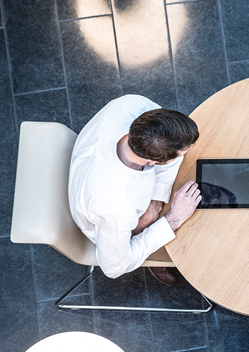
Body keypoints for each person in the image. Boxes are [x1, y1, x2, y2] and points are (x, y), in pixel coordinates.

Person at [68, 95, 201, 285]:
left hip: (86, 174)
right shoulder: (118, 207)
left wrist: (155, 204)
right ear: (155, 162)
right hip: (107, 226)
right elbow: (114, 268)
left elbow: (165, 148)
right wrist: (173, 218)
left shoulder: (131, 105)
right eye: (183, 151)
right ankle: (158, 256)